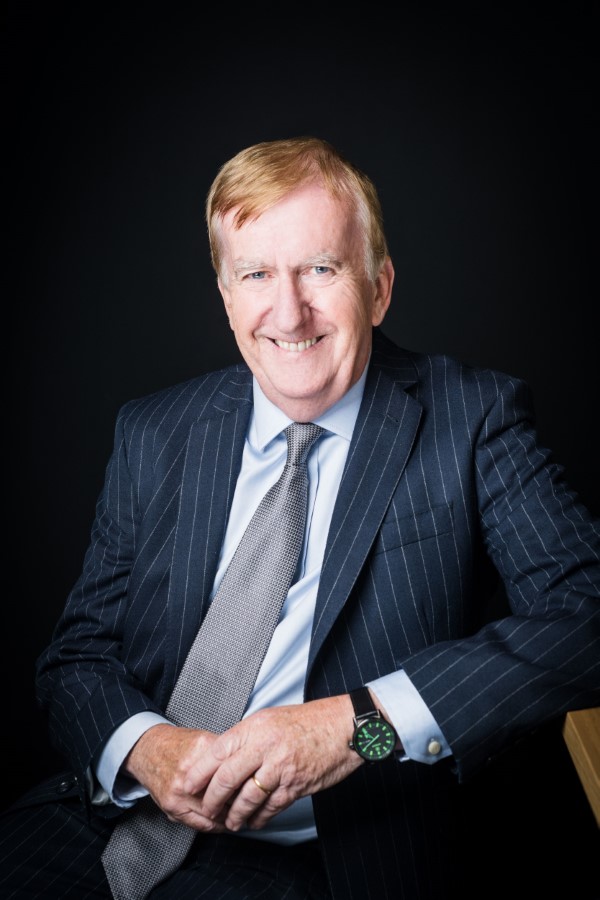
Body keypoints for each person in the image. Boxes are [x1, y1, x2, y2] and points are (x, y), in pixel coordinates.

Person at [1, 136, 598, 900]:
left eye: (321, 269)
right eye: (256, 275)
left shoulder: (473, 419)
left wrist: (352, 727)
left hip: (326, 861)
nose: (289, 311)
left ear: (379, 288)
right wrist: (146, 750)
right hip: (106, 823)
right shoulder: (154, 432)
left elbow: (588, 618)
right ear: (226, 296)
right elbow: (77, 656)